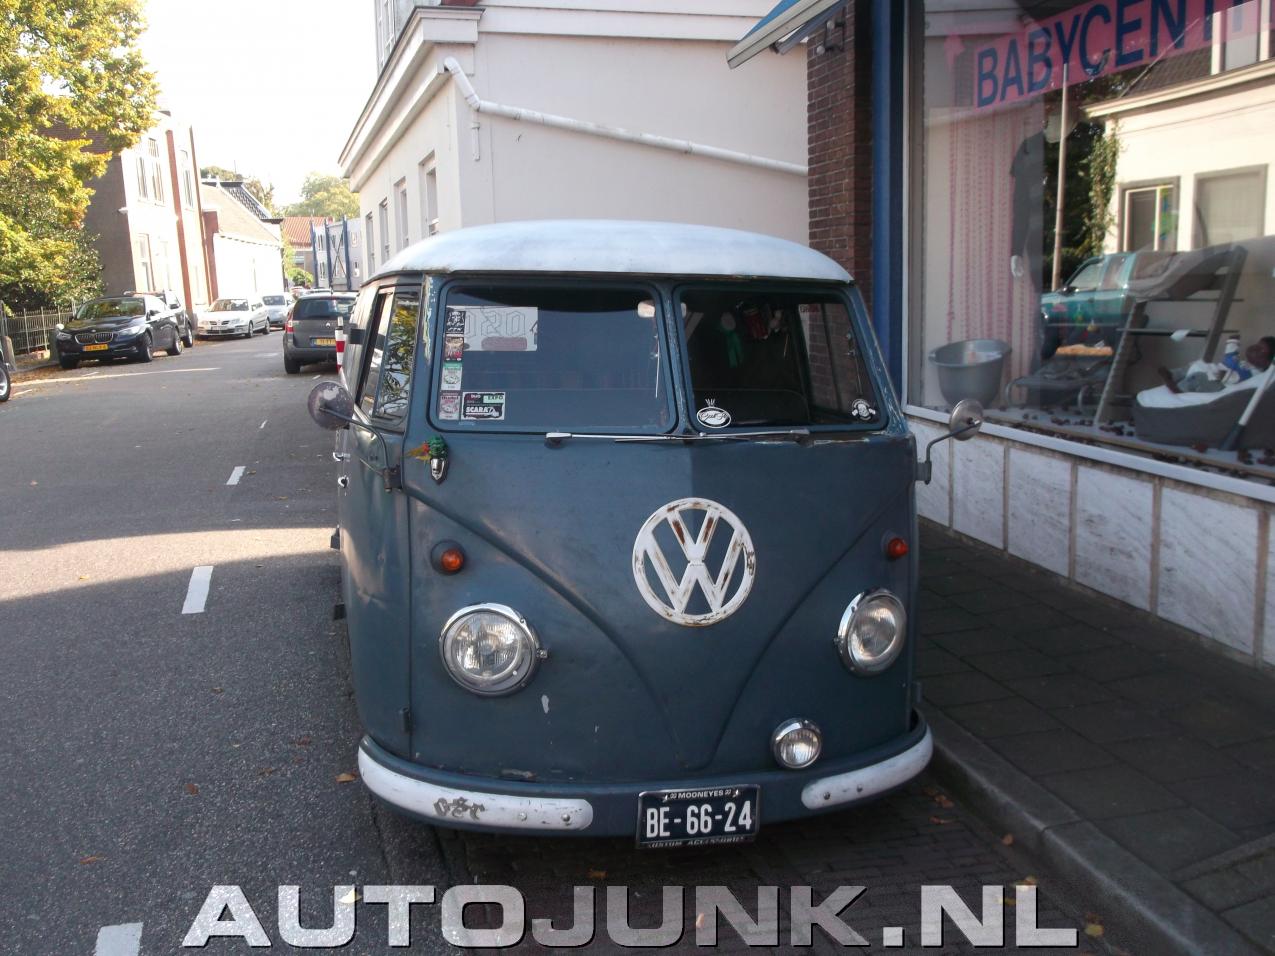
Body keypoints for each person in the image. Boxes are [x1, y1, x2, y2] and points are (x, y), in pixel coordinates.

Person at [1158, 335, 1275, 394]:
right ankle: (1172, 375)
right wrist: (1233, 342)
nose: (1255, 348)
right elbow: (1230, 357)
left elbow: (1237, 379)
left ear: (1267, 362)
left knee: (1199, 377)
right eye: (1257, 345)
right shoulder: (1245, 363)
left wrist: (1221, 374)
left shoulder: (1254, 374)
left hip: (1221, 386)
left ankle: (1179, 389)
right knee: (1197, 365)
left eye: (1261, 350)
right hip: (1219, 374)